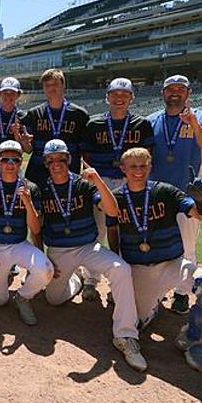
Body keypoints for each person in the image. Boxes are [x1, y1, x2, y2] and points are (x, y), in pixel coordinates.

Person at [107, 148, 202, 372]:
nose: (138, 171)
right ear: (123, 169)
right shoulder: (115, 198)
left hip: (173, 264)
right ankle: (151, 306)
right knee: (136, 322)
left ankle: (192, 338)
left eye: (143, 166)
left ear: (150, 167)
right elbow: (113, 231)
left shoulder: (164, 191)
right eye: (133, 166)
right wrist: (118, 263)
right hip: (140, 270)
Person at [38, 139, 145, 372]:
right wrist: (41, 257)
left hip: (88, 247)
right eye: (51, 160)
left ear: (69, 160)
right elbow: (35, 226)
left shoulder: (83, 185)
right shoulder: (43, 189)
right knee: (53, 300)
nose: (56, 164)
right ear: (46, 163)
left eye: (61, 159)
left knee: (121, 269)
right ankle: (76, 280)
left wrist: (97, 181)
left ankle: (126, 335)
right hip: (59, 251)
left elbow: (112, 210)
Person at [145, 74, 202, 314]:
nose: (175, 93)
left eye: (181, 89)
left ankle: (181, 293)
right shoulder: (151, 121)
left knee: (187, 247)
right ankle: (154, 293)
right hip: (155, 196)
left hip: (186, 195)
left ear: (189, 93)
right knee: (154, 246)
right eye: (170, 89)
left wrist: (194, 125)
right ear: (163, 94)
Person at [80, 77, 154, 302]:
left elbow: (148, 157)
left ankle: (120, 284)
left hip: (129, 184)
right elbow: (85, 156)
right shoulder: (94, 124)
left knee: (128, 232)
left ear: (131, 97)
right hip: (101, 181)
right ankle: (91, 280)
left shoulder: (141, 124)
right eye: (115, 94)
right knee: (98, 231)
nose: (119, 98)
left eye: (125, 94)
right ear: (107, 97)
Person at [0, 140, 55, 326]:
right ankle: (2, 276)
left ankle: (23, 297)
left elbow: (35, 229)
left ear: (20, 162)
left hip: (19, 244)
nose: (10, 164)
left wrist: (27, 202)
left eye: (15, 160)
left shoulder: (30, 188)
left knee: (46, 270)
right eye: (5, 159)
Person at [19, 68, 89, 184]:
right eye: (47, 85)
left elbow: (86, 150)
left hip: (69, 171)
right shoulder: (34, 114)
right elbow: (28, 149)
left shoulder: (79, 114)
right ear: (43, 89)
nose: (51, 88)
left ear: (63, 85)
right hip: (38, 172)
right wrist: (25, 143)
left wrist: (86, 172)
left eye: (55, 84)